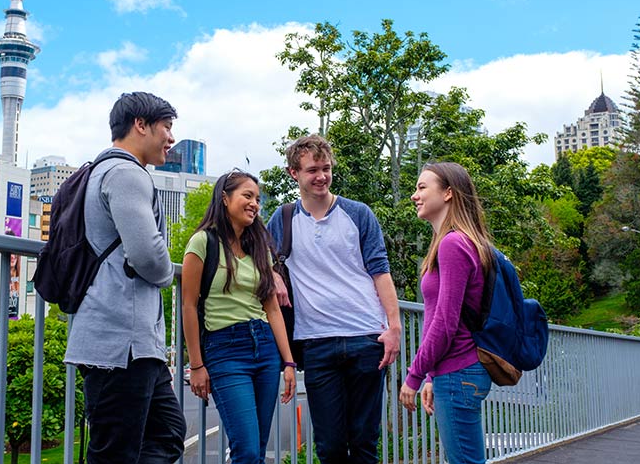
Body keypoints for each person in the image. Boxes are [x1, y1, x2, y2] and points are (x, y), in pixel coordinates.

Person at [64, 91, 186, 464]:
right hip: (121, 343)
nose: (170, 138)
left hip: (129, 341)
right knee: (117, 452)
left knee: (166, 432)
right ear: (140, 125)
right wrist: (167, 274)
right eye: (166, 127)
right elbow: (148, 254)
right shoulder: (126, 174)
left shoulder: (101, 171)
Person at [267, 134, 401, 464]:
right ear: (293, 173)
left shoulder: (358, 214)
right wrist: (271, 274)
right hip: (315, 343)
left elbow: (380, 272)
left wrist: (394, 327)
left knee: (365, 442)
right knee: (329, 446)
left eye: (326, 168)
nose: (322, 176)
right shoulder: (282, 220)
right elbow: (257, 261)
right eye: (313, 170)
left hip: (366, 337)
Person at [182, 169, 296, 464]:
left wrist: (288, 362)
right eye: (247, 195)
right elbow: (189, 306)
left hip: (266, 348)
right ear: (224, 198)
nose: (255, 204)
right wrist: (196, 364)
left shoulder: (259, 247)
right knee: (245, 448)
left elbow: (272, 308)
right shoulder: (202, 242)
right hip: (225, 349)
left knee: (257, 448)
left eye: (257, 199)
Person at [399, 162, 494, 464]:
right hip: (458, 371)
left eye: (422, 187)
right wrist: (430, 376)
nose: (415, 195)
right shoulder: (457, 241)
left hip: (459, 372)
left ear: (449, 193)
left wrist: (413, 376)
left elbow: (445, 321)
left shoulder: (453, 243)